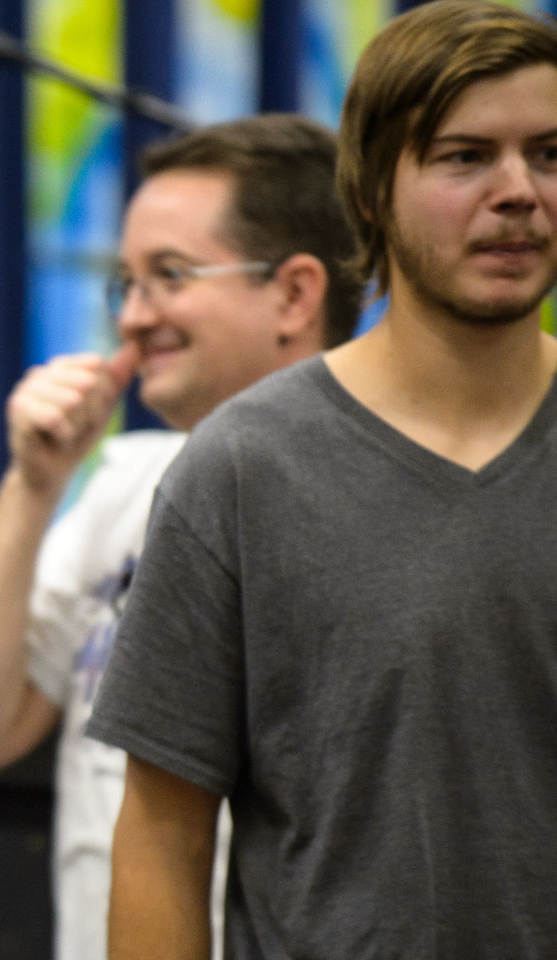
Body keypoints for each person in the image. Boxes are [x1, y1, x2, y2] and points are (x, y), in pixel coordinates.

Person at [87, 2, 557, 957]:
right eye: (465, 157)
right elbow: (162, 839)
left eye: (548, 154)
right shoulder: (244, 467)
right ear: (371, 192)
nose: (518, 191)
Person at [0, 114, 362, 960]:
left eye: (169, 276)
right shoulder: (125, 483)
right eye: (127, 284)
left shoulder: (370, 500)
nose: (135, 318)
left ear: (295, 295)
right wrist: (34, 484)